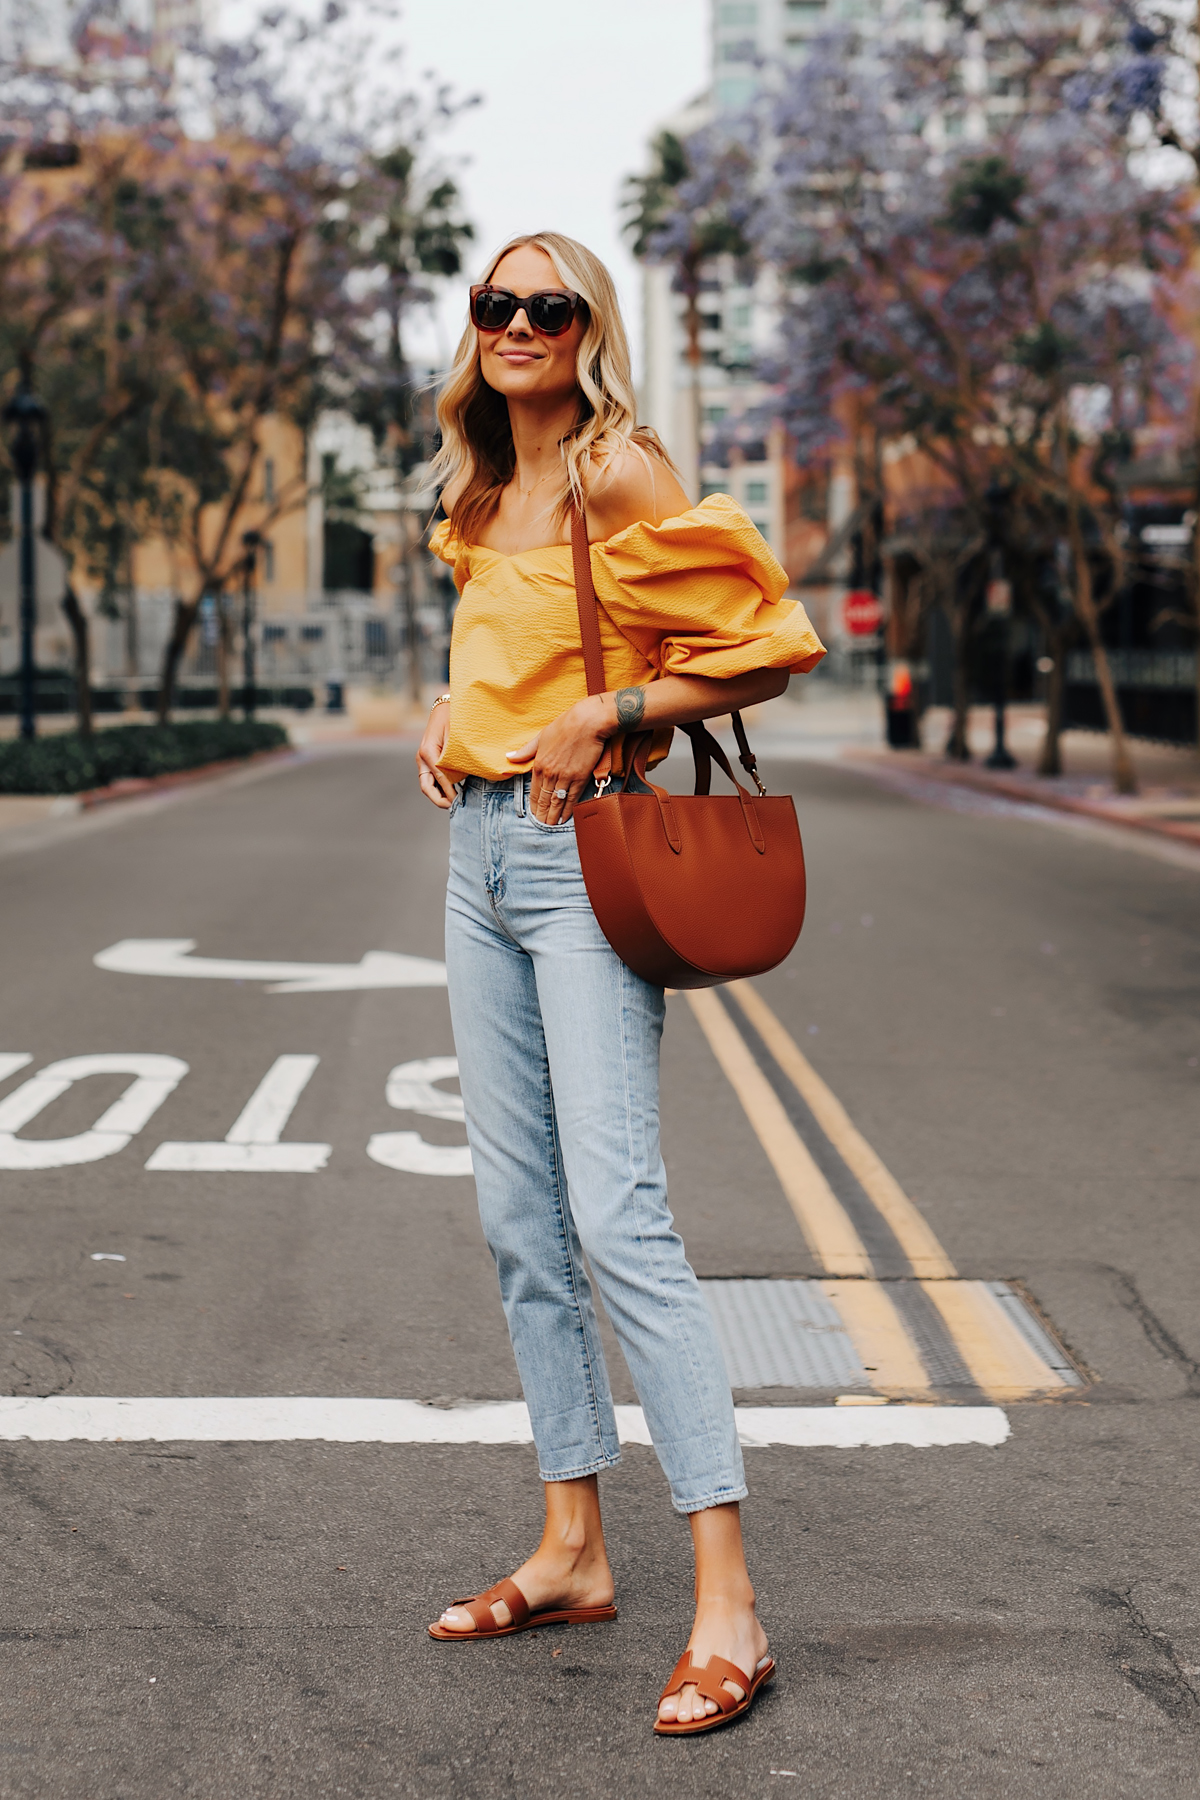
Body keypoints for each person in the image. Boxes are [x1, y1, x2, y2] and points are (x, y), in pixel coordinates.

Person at [416, 231, 824, 1734]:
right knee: (520, 1221)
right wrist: (453, 719)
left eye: (550, 305)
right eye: (495, 305)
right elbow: (501, 654)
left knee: (617, 1216)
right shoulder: (480, 491)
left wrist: (617, 707)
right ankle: (574, 1547)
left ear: (589, 327)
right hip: (478, 854)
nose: (519, 324)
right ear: (476, 329)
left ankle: (731, 1601)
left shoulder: (622, 472)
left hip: (587, 862)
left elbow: (770, 645)